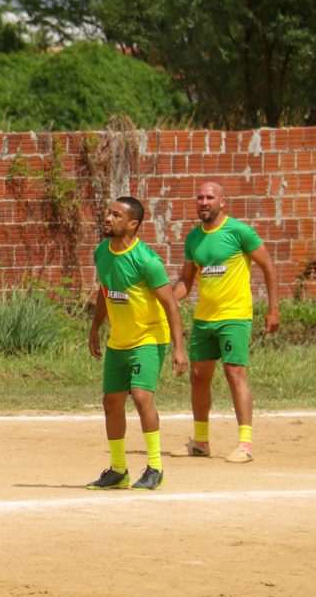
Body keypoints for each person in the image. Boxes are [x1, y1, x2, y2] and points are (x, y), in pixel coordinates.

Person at [170, 181, 280, 463]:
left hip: (235, 316)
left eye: (210, 197)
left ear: (222, 202)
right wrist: (168, 299)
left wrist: (273, 309)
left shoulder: (239, 231)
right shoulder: (194, 238)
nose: (204, 202)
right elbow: (186, 281)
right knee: (198, 377)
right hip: (204, 318)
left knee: (235, 374)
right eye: (200, 197)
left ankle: (245, 444)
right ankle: (200, 441)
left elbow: (268, 266)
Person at [86, 197, 187, 491]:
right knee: (111, 402)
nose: (108, 218)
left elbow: (171, 306)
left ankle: (155, 468)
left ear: (133, 224)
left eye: (116, 215)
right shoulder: (101, 252)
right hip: (119, 340)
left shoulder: (147, 261)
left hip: (149, 337)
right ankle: (119, 470)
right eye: (108, 213)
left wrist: (179, 349)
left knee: (142, 397)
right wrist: (95, 328)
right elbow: (105, 291)